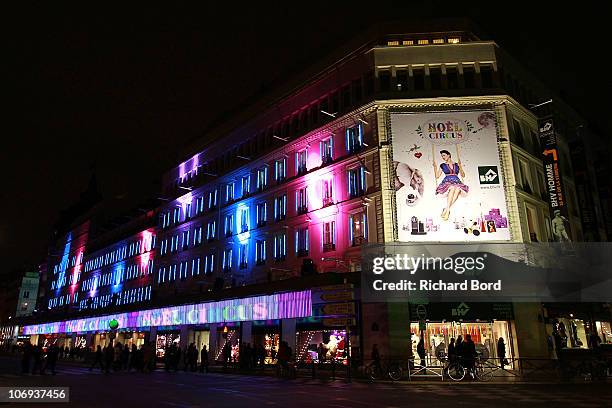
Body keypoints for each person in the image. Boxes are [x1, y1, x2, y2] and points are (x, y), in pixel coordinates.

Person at [433, 149, 468, 221]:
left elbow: (463, 175)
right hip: (447, 181)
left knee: (457, 189)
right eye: (442, 156)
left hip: (456, 180)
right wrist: (435, 167)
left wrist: (460, 167)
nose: (443, 157)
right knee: (452, 188)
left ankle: (446, 209)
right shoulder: (442, 165)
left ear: (449, 155)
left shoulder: (457, 164)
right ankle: (447, 211)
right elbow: (437, 176)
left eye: (444, 155)